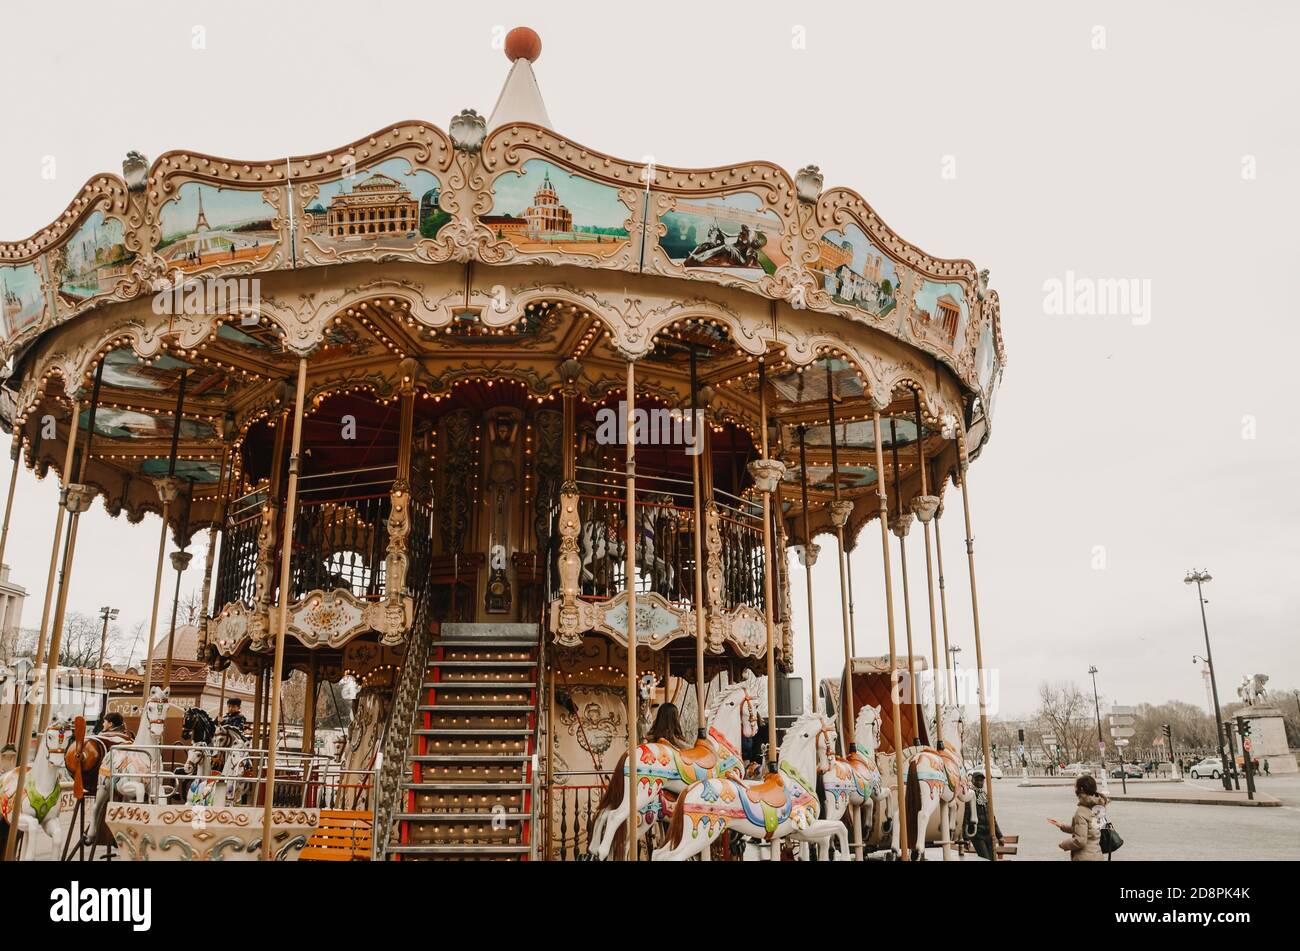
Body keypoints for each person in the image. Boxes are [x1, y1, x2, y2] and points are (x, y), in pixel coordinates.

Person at [1049, 774, 1108, 861]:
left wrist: (1064, 844)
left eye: (1076, 787)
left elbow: (1080, 841)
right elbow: (1089, 830)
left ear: (1081, 789)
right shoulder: (1098, 807)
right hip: (1097, 854)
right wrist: (1062, 826)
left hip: (1084, 857)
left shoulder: (1081, 812)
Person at [968, 771, 1003, 860]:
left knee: (991, 858)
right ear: (973, 781)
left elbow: (992, 817)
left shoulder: (985, 795)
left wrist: (1000, 835)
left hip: (989, 834)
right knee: (985, 858)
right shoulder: (970, 795)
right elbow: (966, 816)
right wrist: (965, 838)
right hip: (978, 835)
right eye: (977, 780)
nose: (979, 782)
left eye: (981, 780)